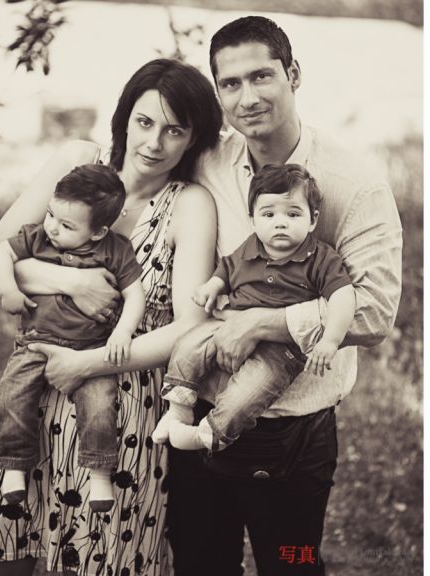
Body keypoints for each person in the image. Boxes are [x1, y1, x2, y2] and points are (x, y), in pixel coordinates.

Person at [165, 16, 402, 576]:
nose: (247, 97)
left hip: (292, 430)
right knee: (199, 564)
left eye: (261, 76)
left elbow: (373, 312)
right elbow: (137, 166)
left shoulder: (353, 184)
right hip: (199, 406)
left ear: (293, 74)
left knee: (291, 564)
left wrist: (262, 324)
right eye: (230, 83)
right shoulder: (209, 161)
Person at [0, 58, 222, 576]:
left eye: (175, 130)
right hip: (32, 391)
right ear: (125, 116)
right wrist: (73, 282)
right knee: (0, 548)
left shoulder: (189, 204)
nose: (153, 142)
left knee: (100, 556)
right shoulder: (77, 162)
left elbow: (190, 327)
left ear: (193, 139)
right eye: (145, 122)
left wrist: (89, 364)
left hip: (121, 407)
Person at [152, 163, 355, 453]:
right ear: (253, 219)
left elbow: (343, 296)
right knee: (188, 345)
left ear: (313, 219)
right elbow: (226, 269)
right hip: (228, 325)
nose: (280, 223)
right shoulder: (250, 247)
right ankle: (178, 409)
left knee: (248, 393)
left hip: (280, 348)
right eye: (268, 214)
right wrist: (212, 287)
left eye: (293, 214)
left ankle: (208, 435)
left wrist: (331, 340)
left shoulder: (321, 258)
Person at [0, 164, 146, 512]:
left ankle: (99, 474)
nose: (52, 227)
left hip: (91, 348)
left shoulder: (116, 250)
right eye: (51, 214)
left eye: (67, 225)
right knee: (11, 394)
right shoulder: (38, 237)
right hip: (36, 340)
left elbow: (135, 294)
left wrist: (123, 331)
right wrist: (7, 289)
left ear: (98, 232)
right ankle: (14, 467)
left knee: (101, 404)